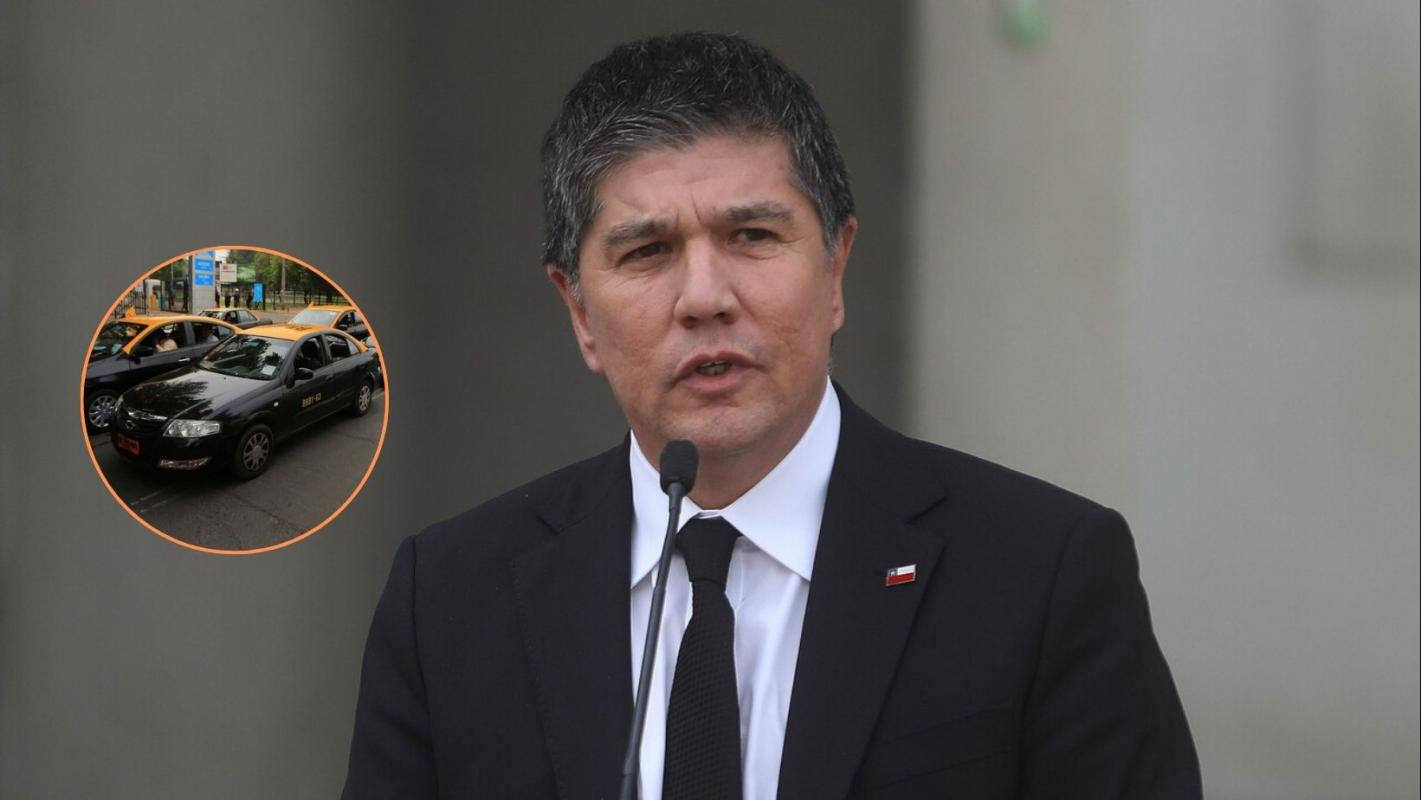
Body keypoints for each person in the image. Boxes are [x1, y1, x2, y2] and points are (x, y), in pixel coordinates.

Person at [344, 32, 1201, 799]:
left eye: (752, 236)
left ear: (835, 268)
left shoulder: (1040, 571)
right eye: (647, 252)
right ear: (579, 313)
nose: (704, 298)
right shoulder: (450, 597)